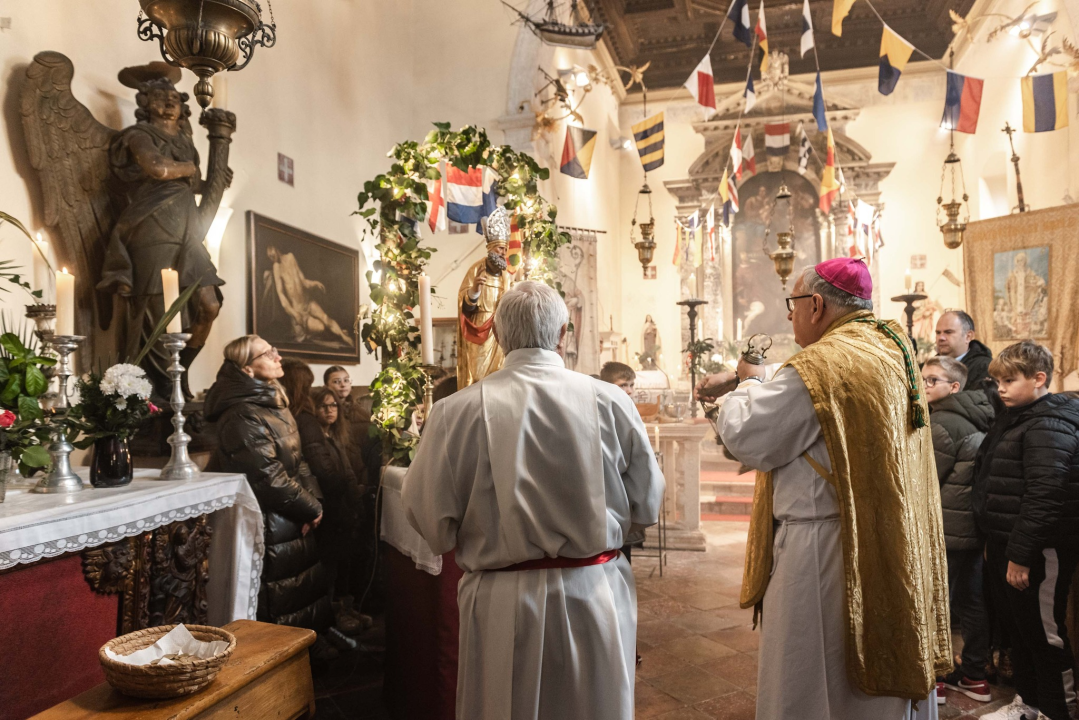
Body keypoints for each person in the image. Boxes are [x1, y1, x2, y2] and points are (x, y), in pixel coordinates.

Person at [696, 258, 950, 720]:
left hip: (823, 552)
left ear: (816, 305)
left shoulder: (823, 363)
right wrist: (753, 378)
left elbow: (749, 434)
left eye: (792, 304)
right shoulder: (887, 348)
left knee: (815, 682)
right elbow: (807, 394)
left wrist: (744, 385)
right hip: (886, 537)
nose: (789, 315)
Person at [402, 281, 664, 720]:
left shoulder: (454, 412)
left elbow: (430, 521)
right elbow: (647, 503)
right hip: (593, 592)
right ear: (563, 333)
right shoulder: (611, 401)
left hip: (502, 603)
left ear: (498, 337)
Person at [204, 335, 336, 660]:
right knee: (279, 598)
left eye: (274, 348)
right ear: (248, 369)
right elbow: (267, 476)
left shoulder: (272, 401)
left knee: (300, 591)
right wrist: (309, 506)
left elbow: (298, 461)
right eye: (267, 352)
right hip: (268, 518)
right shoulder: (242, 414)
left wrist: (313, 505)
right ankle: (287, 664)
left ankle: (311, 649)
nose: (278, 355)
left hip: (291, 514)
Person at [973, 342, 1079, 720]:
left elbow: (1044, 494)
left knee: (1044, 637)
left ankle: (1058, 711)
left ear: (1039, 379)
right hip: (1009, 543)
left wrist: (1020, 554)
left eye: (1009, 380)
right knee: (1020, 631)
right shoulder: (1017, 415)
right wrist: (996, 542)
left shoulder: (1050, 422)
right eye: (997, 380)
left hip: (1039, 549)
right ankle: (1030, 705)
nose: (1000, 388)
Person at [921, 356, 995, 705]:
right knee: (972, 601)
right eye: (922, 379)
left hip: (946, 531)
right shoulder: (981, 414)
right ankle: (975, 676)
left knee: (938, 602)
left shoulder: (943, 423)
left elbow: (925, 481)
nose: (924, 386)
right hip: (973, 529)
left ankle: (934, 680)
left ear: (954, 386)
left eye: (932, 380)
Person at [281, 360, 368, 637]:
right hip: (329, 505)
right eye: (324, 406)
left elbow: (348, 466)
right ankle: (334, 617)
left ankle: (345, 608)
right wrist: (348, 491)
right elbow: (327, 472)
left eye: (333, 406)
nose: (330, 410)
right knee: (330, 565)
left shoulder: (336, 433)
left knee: (345, 563)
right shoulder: (308, 424)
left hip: (343, 504)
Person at [457, 206, 515, 388]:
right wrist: (474, 290)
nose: (503, 253)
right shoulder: (476, 270)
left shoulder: (507, 277)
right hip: (479, 332)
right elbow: (465, 309)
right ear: (490, 248)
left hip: (501, 332)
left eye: (505, 249)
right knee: (479, 376)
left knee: (500, 377)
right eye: (500, 248)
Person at [263, 244, 353, 345]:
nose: (271, 257)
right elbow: (282, 296)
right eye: (269, 257)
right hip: (299, 311)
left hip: (308, 302)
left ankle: (343, 336)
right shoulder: (276, 267)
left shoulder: (290, 257)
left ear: (275, 248)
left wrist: (314, 283)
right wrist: (294, 313)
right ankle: (321, 332)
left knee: (325, 317)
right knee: (321, 327)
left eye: (271, 253)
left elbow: (303, 281)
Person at [935, 310, 993, 390]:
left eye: (948, 332)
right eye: (938, 333)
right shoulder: (926, 367)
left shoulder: (986, 367)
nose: (941, 338)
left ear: (968, 336)